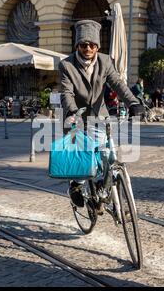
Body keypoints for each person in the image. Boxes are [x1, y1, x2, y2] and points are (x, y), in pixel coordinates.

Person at [59, 19, 144, 208]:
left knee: (108, 156)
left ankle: (103, 186)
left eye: (91, 45)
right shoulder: (67, 65)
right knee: (83, 159)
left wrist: (133, 102)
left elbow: (118, 84)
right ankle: (76, 185)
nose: (87, 48)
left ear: (97, 46)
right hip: (77, 116)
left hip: (100, 117)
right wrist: (73, 111)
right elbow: (67, 92)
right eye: (83, 45)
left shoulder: (105, 61)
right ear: (77, 46)